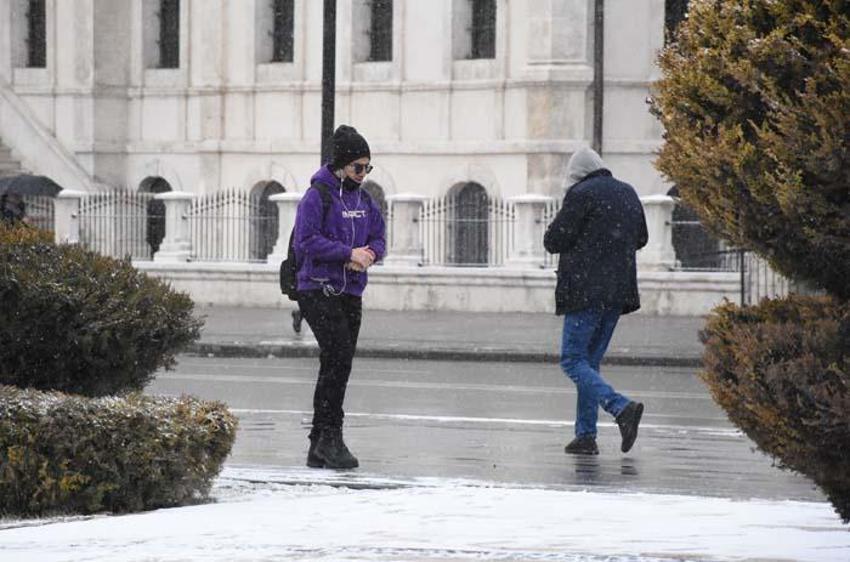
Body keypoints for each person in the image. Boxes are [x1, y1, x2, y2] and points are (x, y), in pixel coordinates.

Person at [543, 146, 649, 456]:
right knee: (588, 363)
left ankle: (622, 408)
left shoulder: (581, 194)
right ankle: (586, 436)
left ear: (575, 175)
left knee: (572, 360)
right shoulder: (628, 192)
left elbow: (553, 240)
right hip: (618, 293)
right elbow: (641, 238)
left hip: (585, 292)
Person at [293, 125, 386, 469]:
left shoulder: (364, 200)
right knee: (338, 357)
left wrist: (371, 255)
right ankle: (330, 436)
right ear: (340, 165)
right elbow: (306, 241)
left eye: (367, 168)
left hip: (351, 291)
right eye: (357, 167)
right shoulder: (318, 196)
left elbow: (379, 237)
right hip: (316, 288)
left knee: (338, 364)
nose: (363, 175)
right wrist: (347, 253)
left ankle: (320, 440)